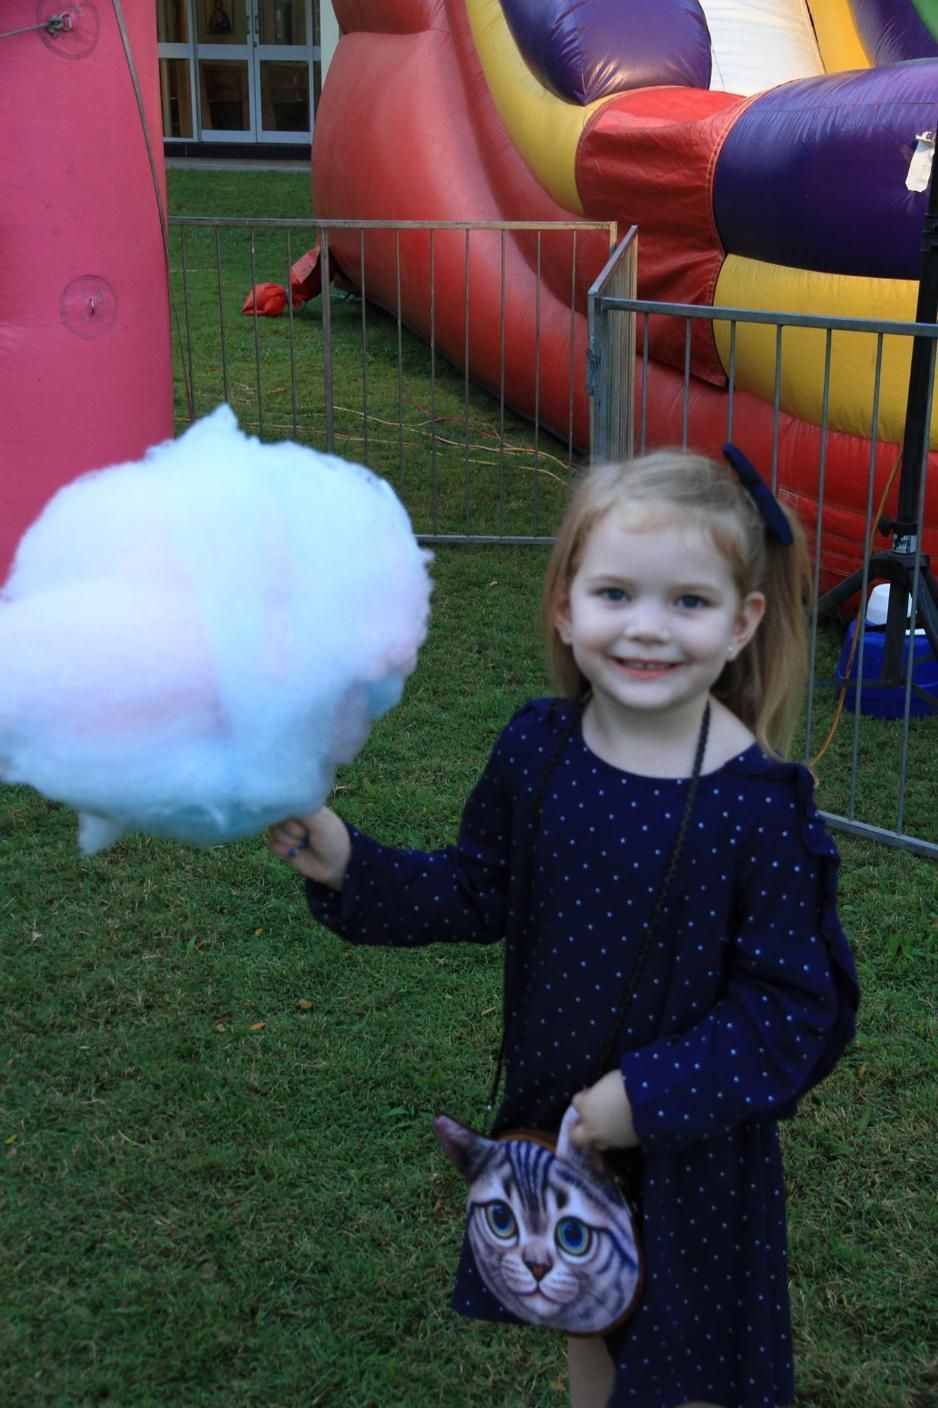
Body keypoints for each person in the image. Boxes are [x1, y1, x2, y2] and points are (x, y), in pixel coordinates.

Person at [269, 447, 859, 1408]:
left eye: (688, 603)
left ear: (744, 621)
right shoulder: (539, 752)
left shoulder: (761, 808)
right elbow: (475, 890)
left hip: (695, 1160)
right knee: (592, 1336)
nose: (646, 628)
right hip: (563, 1147)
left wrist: (647, 1094)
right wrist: (350, 864)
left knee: (692, 1370)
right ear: (563, 604)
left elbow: (796, 1010)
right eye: (616, 592)